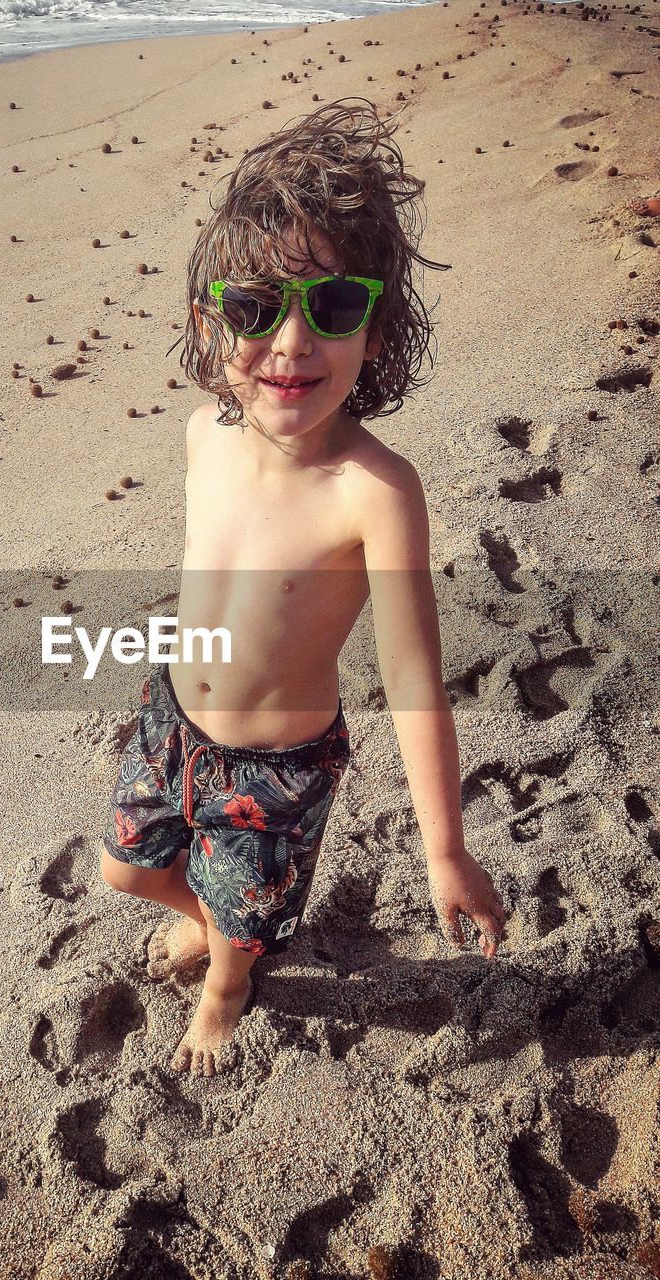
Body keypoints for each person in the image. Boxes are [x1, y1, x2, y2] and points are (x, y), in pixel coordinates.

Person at [99, 98, 509, 1078]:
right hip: (172, 711)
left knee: (243, 924)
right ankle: (208, 921)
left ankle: (229, 982)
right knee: (126, 866)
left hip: (276, 767)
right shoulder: (204, 435)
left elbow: (412, 677)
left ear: (377, 329)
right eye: (253, 308)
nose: (289, 342)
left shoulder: (373, 490)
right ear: (211, 324)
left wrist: (444, 848)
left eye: (331, 307)